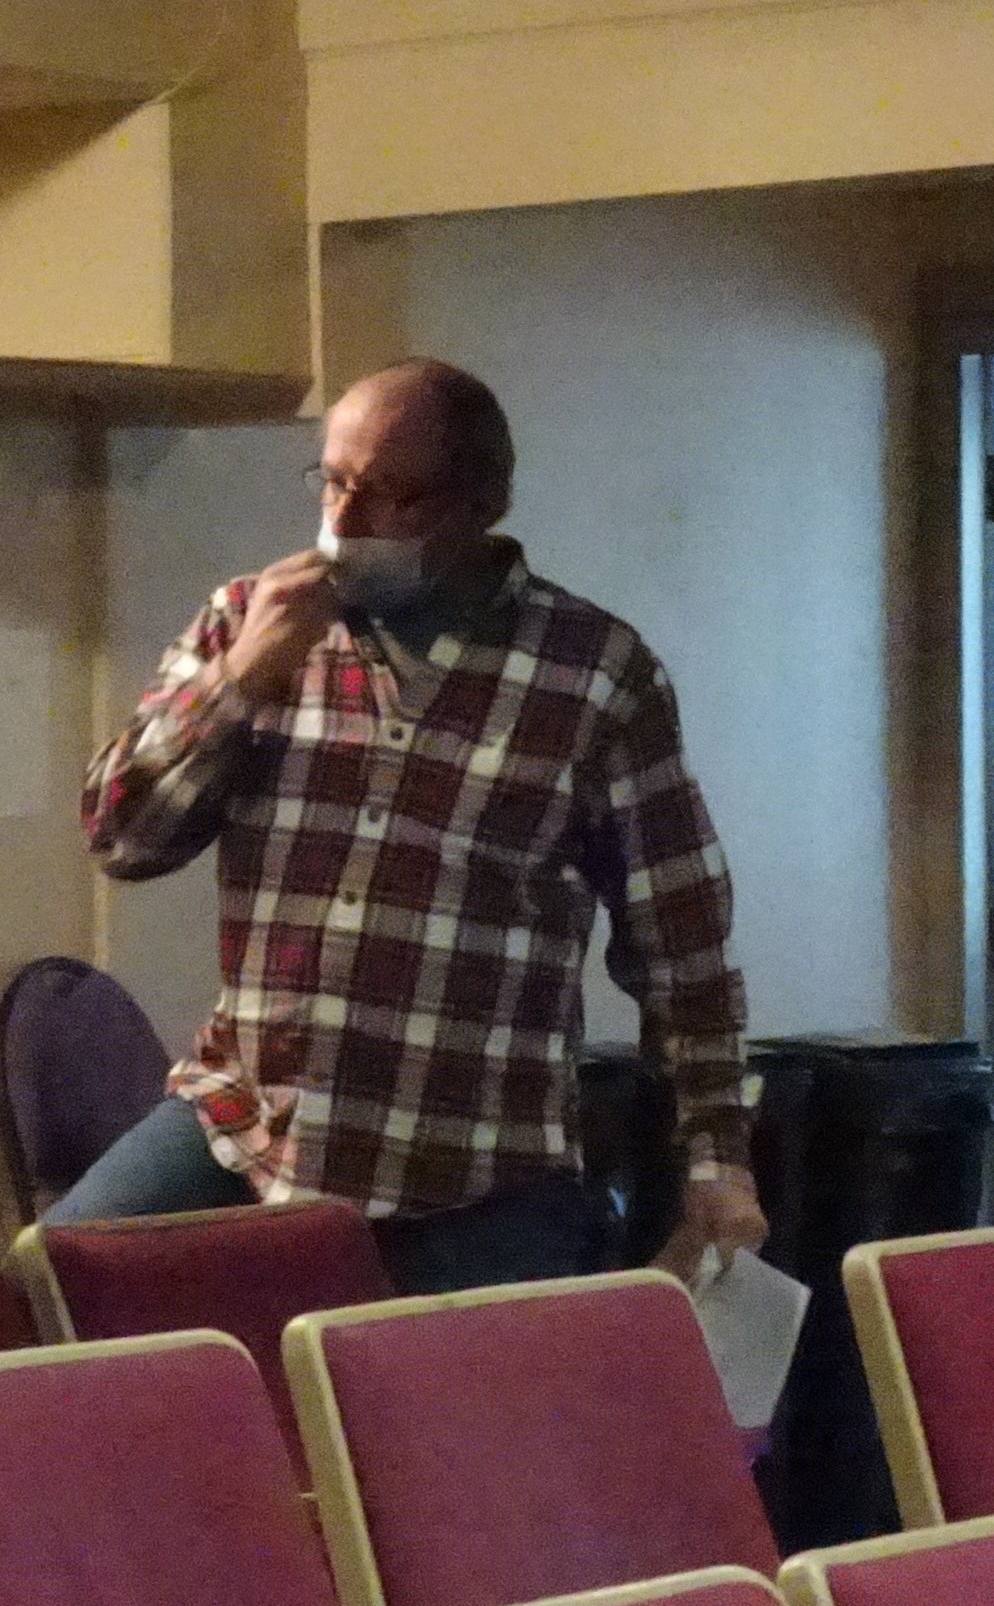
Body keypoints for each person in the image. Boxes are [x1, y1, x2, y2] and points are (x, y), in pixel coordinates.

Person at [69, 357, 765, 1294]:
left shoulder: (595, 673)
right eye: (334, 482)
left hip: (475, 1168)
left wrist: (717, 1157)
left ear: (481, 503)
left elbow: (682, 940)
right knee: (52, 1289)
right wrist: (238, 682)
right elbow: (121, 839)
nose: (345, 523)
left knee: (457, 1433)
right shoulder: (247, 618)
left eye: (391, 497)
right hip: (249, 1131)